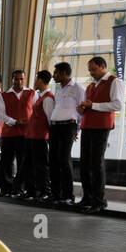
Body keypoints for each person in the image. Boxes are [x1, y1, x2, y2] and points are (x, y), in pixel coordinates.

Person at [75, 56, 122, 213]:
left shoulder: (115, 81)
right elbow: (88, 106)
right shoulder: (90, 86)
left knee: (96, 163)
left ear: (103, 66)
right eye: (89, 70)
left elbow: (118, 104)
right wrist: (82, 109)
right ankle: (87, 197)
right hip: (87, 125)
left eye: (93, 69)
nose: (91, 73)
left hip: (101, 127)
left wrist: (92, 105)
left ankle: (99, 200)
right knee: (85, 164)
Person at [48, 62, 83, 204]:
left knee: (64, 160)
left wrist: (77, 129)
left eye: (56, 73)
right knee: (53, 161)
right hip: (55, 127)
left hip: (68, 126)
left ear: (63, 73)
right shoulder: (59, 89)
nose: (54, 76)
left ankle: (68, 196)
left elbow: (82, 111)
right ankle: (56, 194)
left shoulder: (78, 88)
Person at [0, 69, 32, 196]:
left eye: (21, 79)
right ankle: (5, 189)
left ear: (24, 79)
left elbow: (36, 111)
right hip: (8, 133)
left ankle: (20, 189)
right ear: (12, 80)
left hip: (25, 134)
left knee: (23, 162)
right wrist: (15, 122)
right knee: (6, 161)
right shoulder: (3, 95)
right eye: (16, 79)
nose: (19, 81)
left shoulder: (32, 93)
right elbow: (1, 115)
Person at [21, 70, 53, 201]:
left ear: (40, 80)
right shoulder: (39, 96)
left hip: (41, 137)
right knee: (29, 164)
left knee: (41, 166)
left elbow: (50, 120)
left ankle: (45, 191)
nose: (34, 82)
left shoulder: (48, 98)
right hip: (32, 136)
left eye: (35, 79)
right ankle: (31, 190)